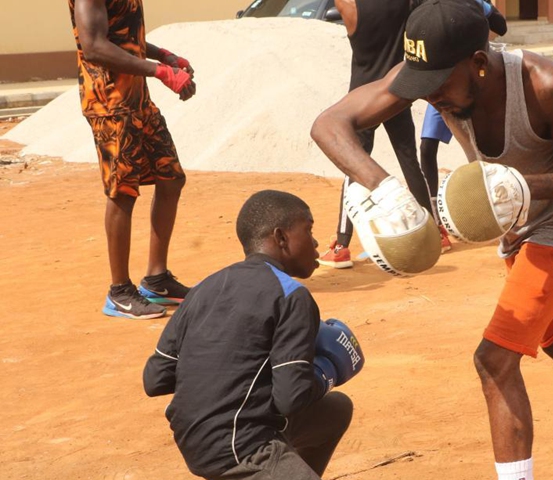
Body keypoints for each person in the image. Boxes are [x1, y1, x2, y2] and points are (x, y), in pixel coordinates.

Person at [310, 1, 553, 479]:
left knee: (494, 360)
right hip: (516, 226)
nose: (429, 98)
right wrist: (383, 186)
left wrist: (524, 185)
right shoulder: (433, 73)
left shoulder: (547, 84)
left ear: (479, 64)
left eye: (437, 85)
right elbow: (329, 124)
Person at [143, 190, 362, 480]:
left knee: (335, 410)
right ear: (281, 238)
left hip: (192, 436)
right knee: (311, 398)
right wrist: (325, 376)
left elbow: (155, 379)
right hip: (243, 448)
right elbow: (291, 398)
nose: (315, 242)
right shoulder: (291, 296)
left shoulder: (204, 288)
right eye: (308, 229)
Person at [70, 0, 197, 319]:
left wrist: (163, 55)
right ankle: (119, 291)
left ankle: (157, 280)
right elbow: (95, 46)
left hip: (137, 100)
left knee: (172, 178)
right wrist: (160, 71)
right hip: (109, 101)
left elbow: (121, 34)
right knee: (122, 191)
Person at [319, 0, 444, 269]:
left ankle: (341, 246)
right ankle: (436, 232)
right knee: (410, 160)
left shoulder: (350, 6)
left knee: (354, 166)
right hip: (394, 93)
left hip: (361, 100)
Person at [419, 0, 508, 253]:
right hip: (440, 84)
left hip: (470, 85)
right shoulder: (428, 7)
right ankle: (437, 220)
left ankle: (499, 211)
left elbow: (501, 25)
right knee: (427, 148)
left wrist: (478, 35)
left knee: (480, 152)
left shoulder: (473, 2)